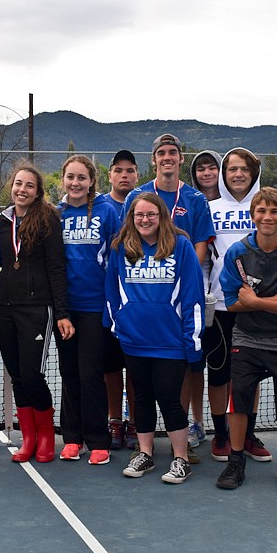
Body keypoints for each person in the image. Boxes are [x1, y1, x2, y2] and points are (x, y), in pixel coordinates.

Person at [216, 187, 277, 491]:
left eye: (274, 212)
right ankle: (235, 461)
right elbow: (231, 302)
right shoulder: (237, 253)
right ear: (253, 215)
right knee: (240, 398)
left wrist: (258, 301)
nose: (267, 217)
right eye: (261, 211)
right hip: (246, 338)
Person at [124, 134, 214, 463]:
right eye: (161, 153)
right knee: (145, 380)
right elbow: (129, 241)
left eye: (172, 153)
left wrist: (185, 268)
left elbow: (201, 242)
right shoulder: (137, 196)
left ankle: (189, 432)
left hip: (184, 293)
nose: (167, 158)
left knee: (186, 366)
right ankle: (143, 440)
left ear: (179, 158)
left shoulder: (194, 198)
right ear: (153, 159)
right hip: (147, 294)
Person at [106, 193, 204, 483]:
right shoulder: (121, 248)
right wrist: (118, 326)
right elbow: (112, 292)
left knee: (170, 399)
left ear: (162, 217)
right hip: (134, 340)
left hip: (171, 343)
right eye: (139, 215)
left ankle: (180, 458)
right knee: (143, 399)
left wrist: (193, 341)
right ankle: (145, 454)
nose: (145, 220)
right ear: (131, 218)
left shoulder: (181, 247)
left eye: (151, 214)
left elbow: (193, 297)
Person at [0, 164, 73, 463]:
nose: (21, 190)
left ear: (38, 192)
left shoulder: (48, 219)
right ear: (11, 187)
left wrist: (62, 312)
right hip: (2, 308)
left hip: (37, 309)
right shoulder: (1, 220)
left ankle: (46, 436)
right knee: (16, 375)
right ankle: (28, 439)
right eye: (17, 184)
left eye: (29, 185)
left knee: (32, 374)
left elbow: (56, 267)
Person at [205, 147, 272, 464]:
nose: (238, 173)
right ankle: (220, 434)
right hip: (219, 308)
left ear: (253, 172)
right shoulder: (209, 208)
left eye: (244, 168)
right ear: (223, 173)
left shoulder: (265, 207)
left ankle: (245, 434)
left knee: (251, 376)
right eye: (231, 168)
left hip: (255, 308)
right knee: (218, 375)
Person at [56, 155, 120, 464]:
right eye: (70, 177)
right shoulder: (56, 214)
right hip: (66, 309)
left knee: (91, 374)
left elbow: (119, 258)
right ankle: (72, 438)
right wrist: (60, 311)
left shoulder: (107, 212)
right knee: (68, 373)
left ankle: (98, 439)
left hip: (96, 307)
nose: (76, 183)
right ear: (63, 179)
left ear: (92, 180)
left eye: (82, 177)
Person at [98, 150, 139, 450]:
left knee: (135, 368)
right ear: (110, 175)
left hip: (138, 304)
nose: (124, 175)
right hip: (106, 303)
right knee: (111, 368)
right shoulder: (99, 206)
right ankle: (114, 421)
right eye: (118, 171)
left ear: (137, 175)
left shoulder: (145, 206)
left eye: (130, 170)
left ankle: (135, 422)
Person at [187, 150, 223, 450]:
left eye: (213, 167)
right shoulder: (189, 202)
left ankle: (231, 429)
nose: (207, 172)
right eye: (201, 168)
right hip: (192, 298)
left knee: (225, 369)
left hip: (224, 302)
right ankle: (195, 423)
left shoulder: (235, 206)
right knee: (193, 366)